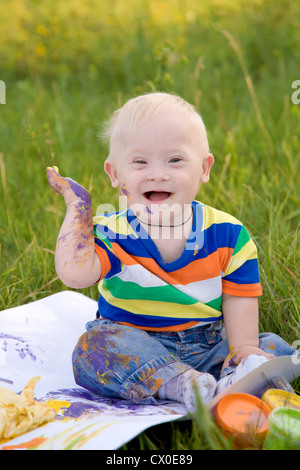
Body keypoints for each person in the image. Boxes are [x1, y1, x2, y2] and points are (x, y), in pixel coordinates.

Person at [46, 92, 295, 412]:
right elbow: (74, 274)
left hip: (207, 345)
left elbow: (239, 297)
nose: (158, 173)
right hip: (134, 344)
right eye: (140, 162)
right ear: (115, 174)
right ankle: (187, 384)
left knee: (269, 347)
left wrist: (244, 349)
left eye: (175, 160)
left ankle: (234, 380)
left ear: (204, 168)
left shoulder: (228, 234)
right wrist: (77, 209)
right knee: (93, 350)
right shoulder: (113, 232)